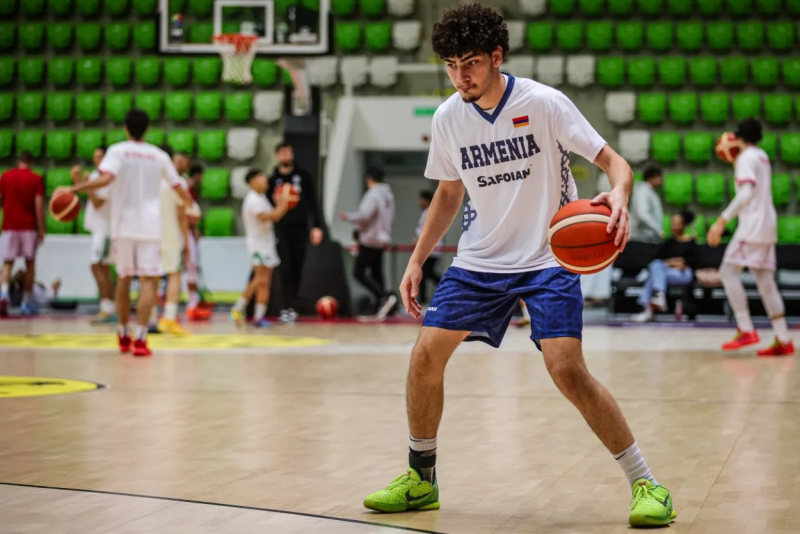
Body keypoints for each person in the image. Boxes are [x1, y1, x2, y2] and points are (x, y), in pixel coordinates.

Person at [361, 5, 676, 528]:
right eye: (451, 65)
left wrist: (619, 193)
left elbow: (614, 163)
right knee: (424, 357)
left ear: (496, 57)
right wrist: (417, 259)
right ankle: (421, 479)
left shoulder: (543, 103)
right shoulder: (448, 118)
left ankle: (647, 483)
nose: (460, 76)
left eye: (470, 63)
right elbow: (448, 193)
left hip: (548, 256)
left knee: (566, 370)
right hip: (480, 259)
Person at [63, 109, 194, 357]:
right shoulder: (158, 155)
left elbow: (105, 180)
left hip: (123, 224)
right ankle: (141, 339)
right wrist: (191, 205)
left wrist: (75, 187)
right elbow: (178, 186)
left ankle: (123, 334)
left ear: (125, 128)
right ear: (147, 129)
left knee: (124, 278)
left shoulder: (117, 151)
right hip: (150, 226)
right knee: (149, 281)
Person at [708, 119, 794, 357]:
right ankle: (783, 338)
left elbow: (745, 193)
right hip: (768, 224)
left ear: (737, 136)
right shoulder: (762, 156)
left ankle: (746, 328)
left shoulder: (746, 158)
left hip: (752, 226)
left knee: (727, 272)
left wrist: (722, 220)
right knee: (765, 281)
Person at [267, 142, 324, 323]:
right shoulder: (272, 180)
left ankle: (293, 305)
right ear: (277, 155)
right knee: (284, 267)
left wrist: (317, 226)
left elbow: (313, 202)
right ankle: (286, 307)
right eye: (283, 152)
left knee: (297, 267)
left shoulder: (303, 176)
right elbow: (267, 207)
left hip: (300, 228)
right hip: (281, 229)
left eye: (289, 152)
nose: (287, 155)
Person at [230, 169, 294, 327]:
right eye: (261, 177)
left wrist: (280, 204)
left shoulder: (261, 197)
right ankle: (238, 308)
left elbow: (273, 215)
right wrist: (284, 204)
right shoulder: (253, 200)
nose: (265, 180)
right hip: (257, 244)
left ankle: (259, 316)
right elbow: (270, 217)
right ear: (251, 181)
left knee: (265, 281)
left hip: (267, 243)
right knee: (260, 278)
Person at [338, 167, 397, 320]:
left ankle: (384, 296)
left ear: (369, 179)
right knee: (377, 272)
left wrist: (348, 217)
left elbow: (365, 216)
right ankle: (381, 305)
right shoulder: (388, 195)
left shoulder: (373, 194)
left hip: (370, 238)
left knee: (358, 272)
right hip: (382, 238)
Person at [149, 144, 195, 336]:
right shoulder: (176, 181)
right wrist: (186, 241)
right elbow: (182, 214)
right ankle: (169, 318)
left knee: (150, 277)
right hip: (170, 234)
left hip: (149, 234)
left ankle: (150, 319)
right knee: (174, 275)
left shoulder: (147, 180)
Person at [71, 147, 116, 324]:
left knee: (97, 266)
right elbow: (87, 193)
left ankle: (107, 307)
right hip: (99, 228)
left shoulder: (107, 178)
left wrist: (85, 183)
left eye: (100, 156)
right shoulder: (97, 176)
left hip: (105, 229)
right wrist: (79, 181)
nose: (97, 159)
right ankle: (109, 306)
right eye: (95, 156)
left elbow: (97, 202)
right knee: (103, 267)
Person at [0, 151, 45, 317]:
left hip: (9, 225)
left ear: (18, 161)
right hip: (28, 226)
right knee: (30, 264)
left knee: (7, 263)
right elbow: (38, 204)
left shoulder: (5, 177)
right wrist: (42, 227)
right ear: (31, 163)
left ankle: (4, 294)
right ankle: (27, 301)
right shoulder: (35, 178)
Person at [632, 210, 697, 323]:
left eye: (677, 223)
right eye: (672, 223)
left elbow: (691, 262)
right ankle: (659, 297)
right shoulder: (669, 242)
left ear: (684, 225)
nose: (673, 226)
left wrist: (676, 263)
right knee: (655, 266)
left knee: (653, 275)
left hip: (683, 274)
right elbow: (657, 259)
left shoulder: (691, 242)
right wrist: (671, 262)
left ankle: (649, 309)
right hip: (666, 273)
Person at [175, 154, 210, 321]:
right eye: (180, 161)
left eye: (185, 162)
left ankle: (192, 304)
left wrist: (193, 227)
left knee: (191, 267)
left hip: (185, 230)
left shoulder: (183, 183)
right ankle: (171, 307)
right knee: (175, 270)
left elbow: (191, 212)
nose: (184, 164)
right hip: (176, 232)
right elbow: (184, 212)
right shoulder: (177, 184)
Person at [415, 190, 442, 303]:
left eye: (421, 200)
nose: (419, 202)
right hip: (430, 248)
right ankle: (447, 290)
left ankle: (423, 299)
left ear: (426, 200)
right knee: (429, 273)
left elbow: (428, 231)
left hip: (430, 249)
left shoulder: (430, 212)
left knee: (423, 274)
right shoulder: (427, 212)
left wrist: (419, 240)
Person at [629, 166, 664, 244]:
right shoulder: (642, 191)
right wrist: (658, 230)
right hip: (640, 239)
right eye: (659, 177)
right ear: (651, 177)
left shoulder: (650, 192)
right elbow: (642, 214)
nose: (661, 180)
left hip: (648, 239)